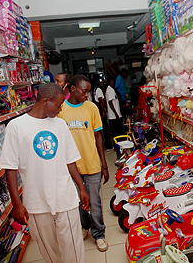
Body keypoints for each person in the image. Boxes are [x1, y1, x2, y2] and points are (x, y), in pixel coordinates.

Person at [0, 83, 89, 263]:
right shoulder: (16, 127)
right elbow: (10, 167)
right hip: (36, 202)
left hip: (65, 197)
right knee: (49, 251)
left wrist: (81, 187)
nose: (60, 109)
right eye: (58, 104)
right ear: (45, 101)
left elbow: (70, 161)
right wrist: (16, 203)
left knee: (74, 249)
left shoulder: (60, 125)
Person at [57, 75, 109, 252]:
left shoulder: (91, 107)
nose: (87, 95)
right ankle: (85, 224)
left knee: (95, 202)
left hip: (92, 164)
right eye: (84, 91)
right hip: (71, 168)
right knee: (78, 202)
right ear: (72, 89)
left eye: (88, 91)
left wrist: (104, 164)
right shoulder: (60, 109)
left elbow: (98, 137)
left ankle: (99, 234)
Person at [93, 82, 113, 151]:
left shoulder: (94, 90)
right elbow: (101, 100)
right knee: (105, 129)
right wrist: (103, 111)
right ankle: (108, 146)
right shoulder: (99, 90)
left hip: (98, 112)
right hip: (101, 112)